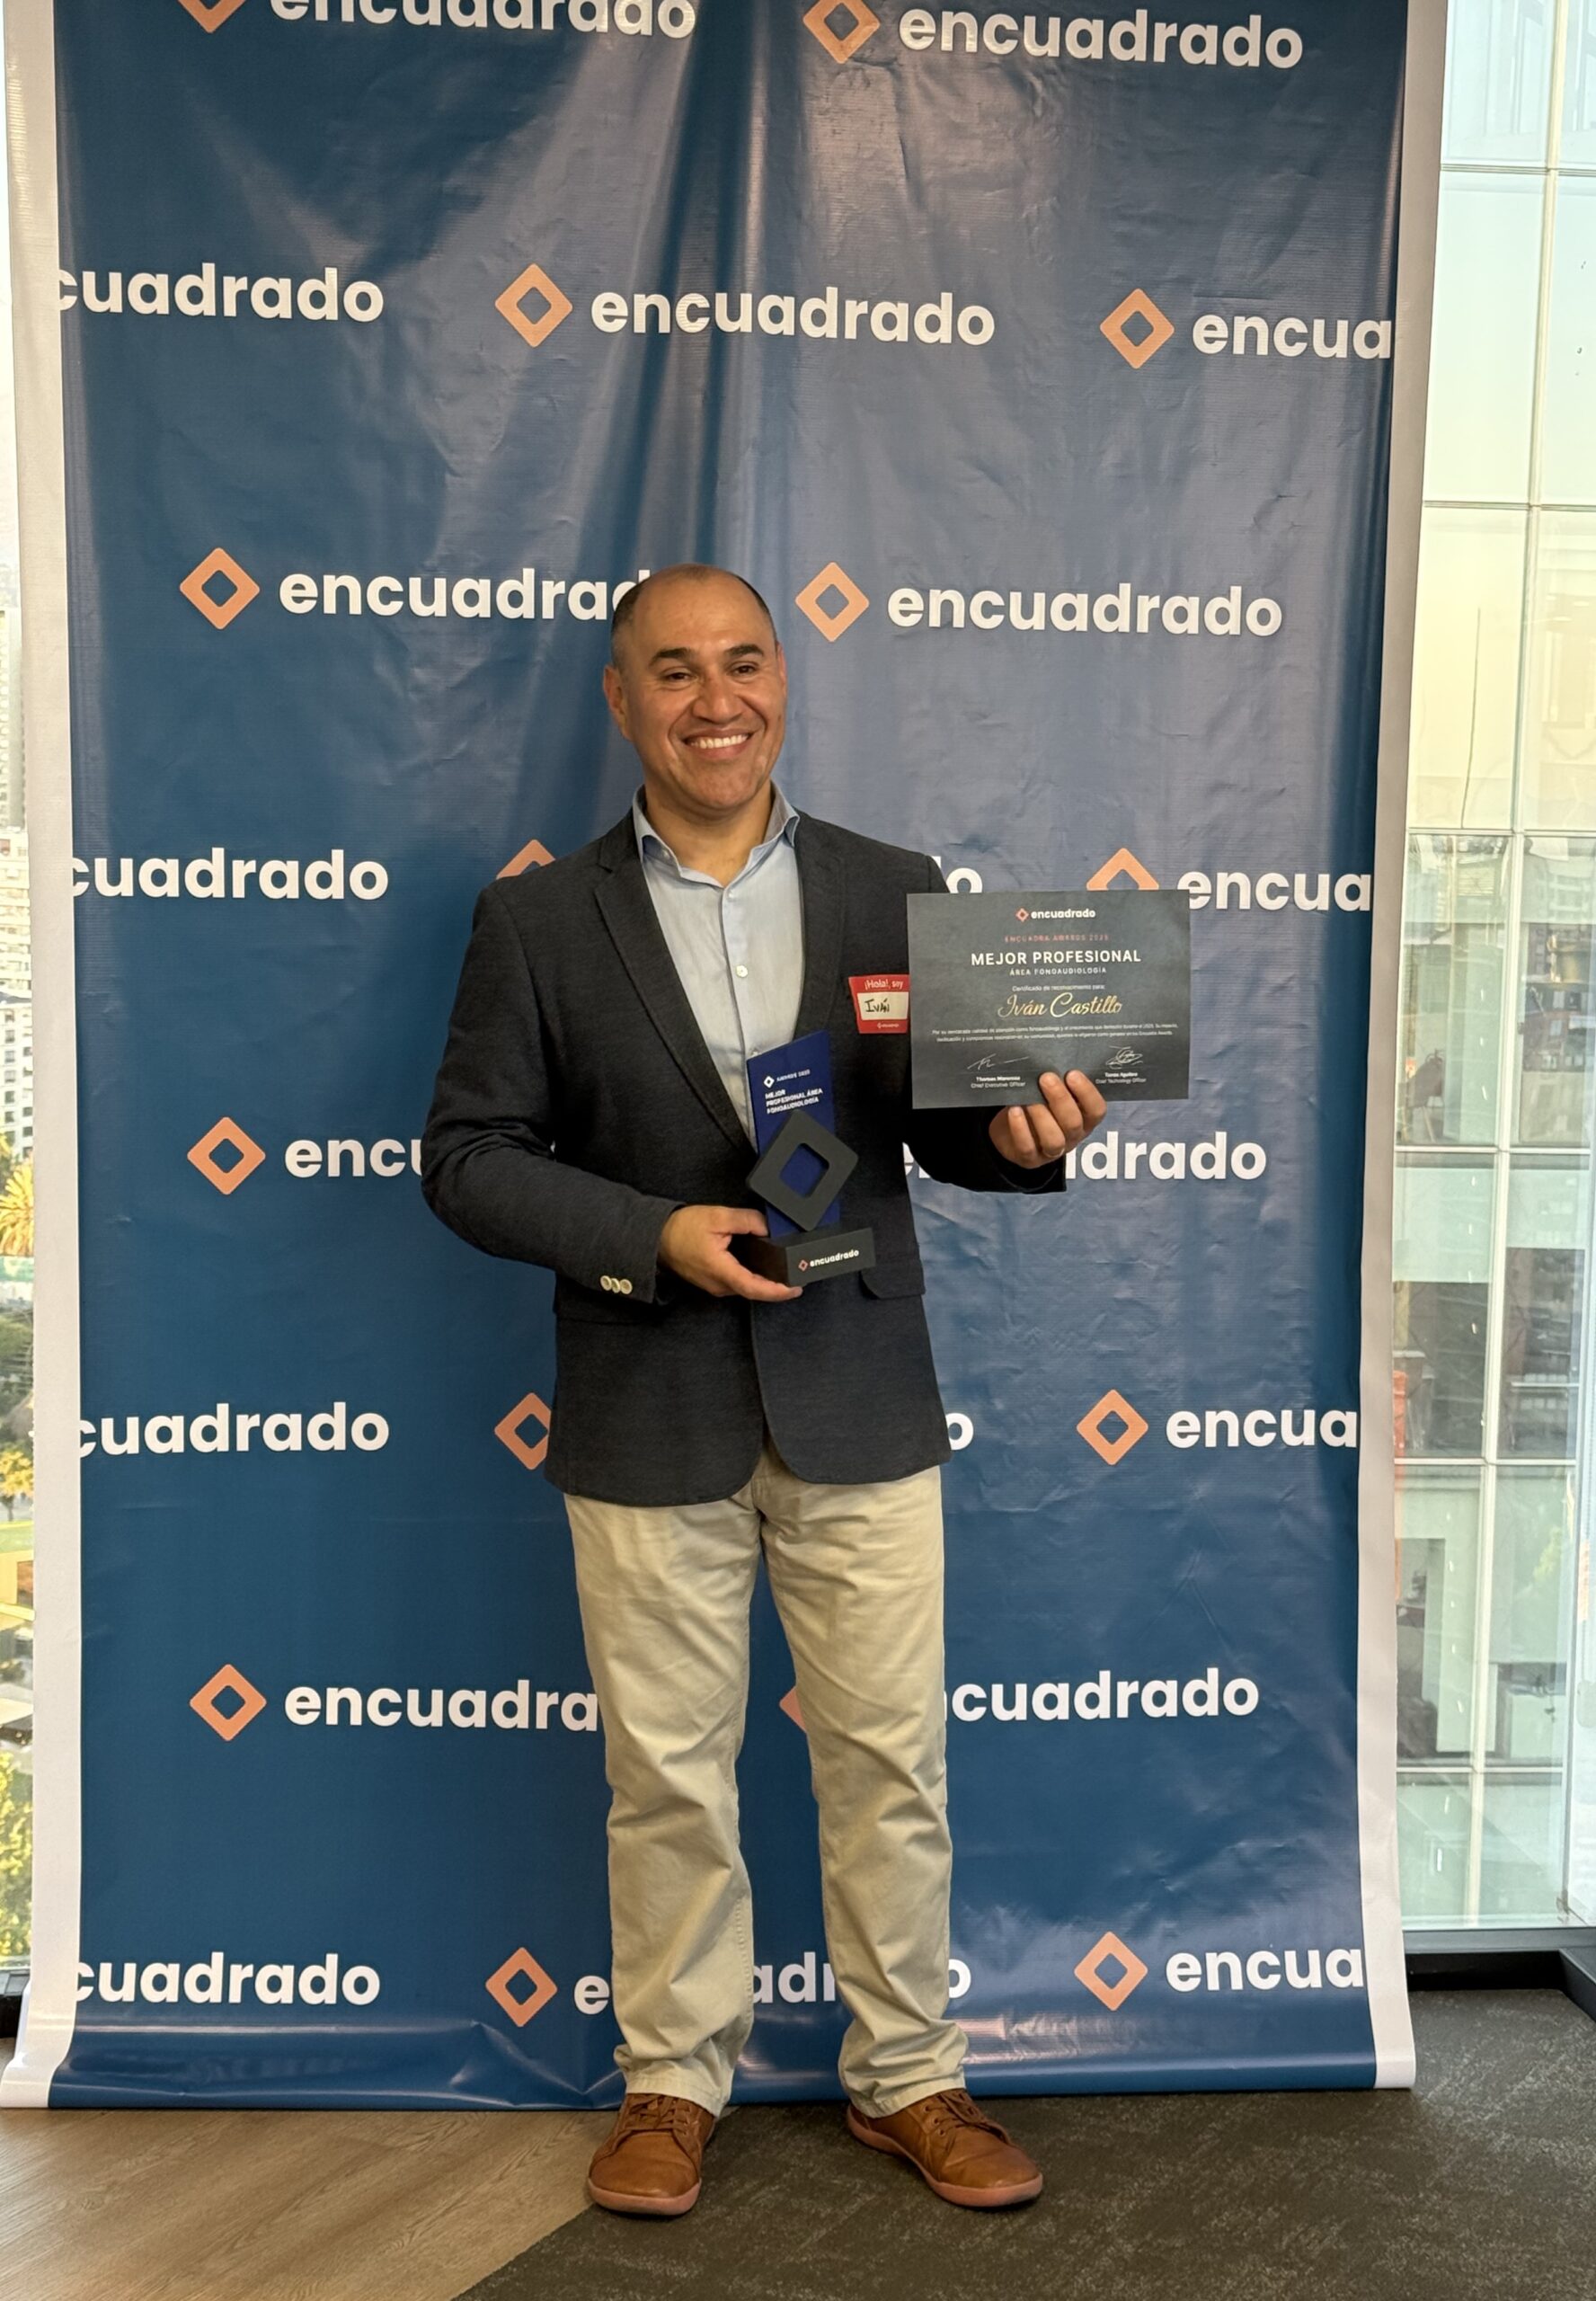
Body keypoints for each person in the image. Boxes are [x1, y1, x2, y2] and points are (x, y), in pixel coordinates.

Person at [421, 564, 1107, 2217]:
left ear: (784, 682)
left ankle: (912, 2079)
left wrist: (1027, 1139)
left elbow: (950, 1131)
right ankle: (671, 2083)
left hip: (857, 1396)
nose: (714, 700)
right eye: (675, 670)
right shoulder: (537, 921)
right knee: (667, 1774)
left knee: (891, 1764)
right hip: (646, 1402)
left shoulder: (897, 891)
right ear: (621, 698)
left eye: (743, 663)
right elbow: (467, 1159)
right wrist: (650, 1234)